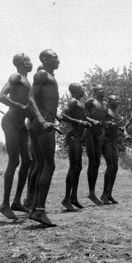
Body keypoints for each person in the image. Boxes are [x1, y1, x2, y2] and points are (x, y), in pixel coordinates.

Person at [0, 53, 33, 220]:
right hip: (10, 122)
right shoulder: (16, 76)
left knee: (28, 161)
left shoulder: (27, 81)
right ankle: (5, 204)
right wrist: (19, 105)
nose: (30, 63)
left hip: (21, 125)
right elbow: (1, 97)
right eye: (27, 61)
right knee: (14, 161)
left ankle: (17, 201)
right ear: (20, 63)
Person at [27, 49, 60, 227]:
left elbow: (43, 101)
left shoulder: (49, 76)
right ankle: (39, 210)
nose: (58, 60)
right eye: (55, 57)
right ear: (46, 59)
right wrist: (42, 120)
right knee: (49, 165)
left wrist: (56, 117)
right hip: (44, 123)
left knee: (41, 165)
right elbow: (30, 99)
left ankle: (33, 207)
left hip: (47, 121)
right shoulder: (42, 74)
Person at [60, 83, 91, 211]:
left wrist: (89, 122)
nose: (83, 90)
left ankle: (73, 197)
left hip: (78, 137)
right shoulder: (73, 101)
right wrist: (79, 122)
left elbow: (82, 118)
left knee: (78, 167)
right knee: (74, 167)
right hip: (73, 136)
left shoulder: (81, 103)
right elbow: (63, 115)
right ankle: (66, 198)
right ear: (76, 90)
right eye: (81, 88)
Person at [84, 84, 108, 205]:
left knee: (97, 162)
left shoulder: (105, 104)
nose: (102, 90)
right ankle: (91, 192)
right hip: (89, 132)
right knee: (92, 161)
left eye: (102, 88)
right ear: (94, 91)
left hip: (99, 134)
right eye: (99, 89)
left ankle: (92, 193)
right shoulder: (90, 101)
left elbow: (105, 118)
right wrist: (92, 120)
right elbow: (81, 114)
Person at [100, 95, 123, 204]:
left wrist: (120, 128)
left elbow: (117, 126)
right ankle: (104, 194)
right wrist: (107, 124)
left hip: (114, 142)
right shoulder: (105, 110)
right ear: (109, 101)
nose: (118, 100)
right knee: (110, 166)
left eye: (118, 99)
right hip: (105, 140)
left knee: (115, 167)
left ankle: (109, 194)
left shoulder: (117, 113)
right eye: (115, 99)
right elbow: (100, 122)